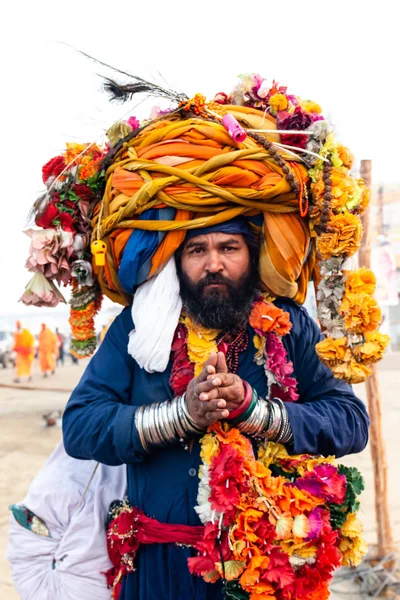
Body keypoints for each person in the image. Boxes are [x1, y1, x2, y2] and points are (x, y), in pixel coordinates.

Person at [20, 72, 385, 599]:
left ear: (250, 255)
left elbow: (351, 423)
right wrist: (180, 416)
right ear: (178, 262)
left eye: (228, 248)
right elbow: (81, 427)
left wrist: (255, 412)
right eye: (197, 250)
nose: (213, 263)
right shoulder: (139, 328)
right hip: (160, 572)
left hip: (267, 571)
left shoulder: (289, 322)